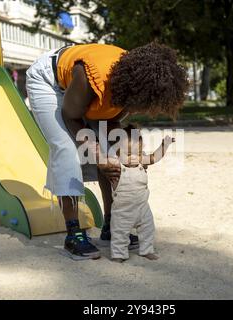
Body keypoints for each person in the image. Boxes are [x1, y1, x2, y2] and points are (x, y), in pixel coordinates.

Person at [26, 42, 188, 260]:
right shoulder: (92, 78)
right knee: (67, 149)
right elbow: (71, 116)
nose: (147, 110)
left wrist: (111, 155)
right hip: (49, 81)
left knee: (111, 150)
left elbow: (109, 121)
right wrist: (96, 156)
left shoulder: (132, 87)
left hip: (89, 89)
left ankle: (112, 225)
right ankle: (74, 234)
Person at [103, 124, 175, 263]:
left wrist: (164, 145)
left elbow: (154, 157)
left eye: (139, 152)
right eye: (129, 154)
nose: (134, 157)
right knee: (119, 233)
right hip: (123, 212)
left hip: (143, 208)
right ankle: (119, 254)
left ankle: (147, 250)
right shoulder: (117, 168)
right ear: (116, 154)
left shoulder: (141, 162)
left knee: (148, 229)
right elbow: (104, 160)